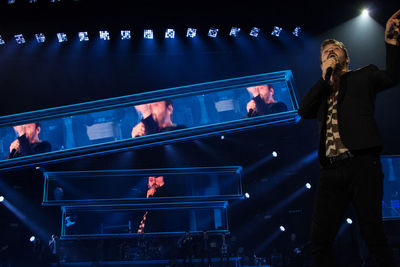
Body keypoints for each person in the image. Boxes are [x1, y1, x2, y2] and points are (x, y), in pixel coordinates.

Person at [298, 9, 400, 267]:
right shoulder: (321, 91)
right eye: (325, 52)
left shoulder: (363, 75)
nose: (330, 52)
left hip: (362, 163)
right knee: (319, 239)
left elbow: (393, 75)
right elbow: (303, 110)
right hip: (330, 170)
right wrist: (325, 78)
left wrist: (391, 43)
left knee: (372, 233)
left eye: (335, 50)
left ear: (347, 57)